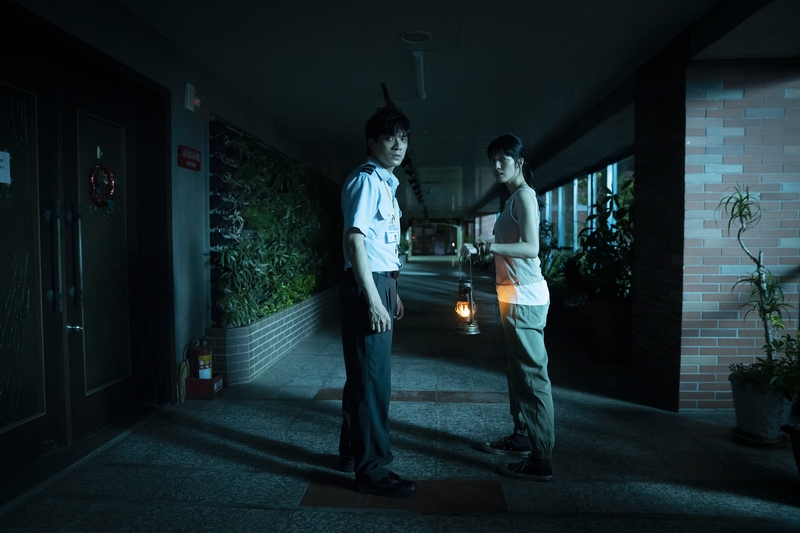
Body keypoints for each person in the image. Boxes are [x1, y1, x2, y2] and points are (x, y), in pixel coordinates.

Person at [461, 133, 554, 481]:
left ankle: (541, 459)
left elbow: (531, 248)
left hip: (525, 298)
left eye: (504, 159)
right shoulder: (513, 197)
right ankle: (521, 438)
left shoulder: (524, 196)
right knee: (518, 372)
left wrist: (487, 248)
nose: (497, 165)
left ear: (520, 162)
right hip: (514, 297)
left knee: (532, 377)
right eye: (493, 160)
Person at [338, 105, 417, 498]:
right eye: (389, 138)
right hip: (367, 286)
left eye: (403, 138)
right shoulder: (367, 181)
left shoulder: (386, 183)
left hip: (381, 282)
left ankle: (352, 453)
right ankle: (372, 472)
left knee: (364, 378)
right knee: (373, 383)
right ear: (372, 142)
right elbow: (354, 241)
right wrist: (373, 298)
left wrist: (391, 292)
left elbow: (380, 246)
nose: (398, 145)